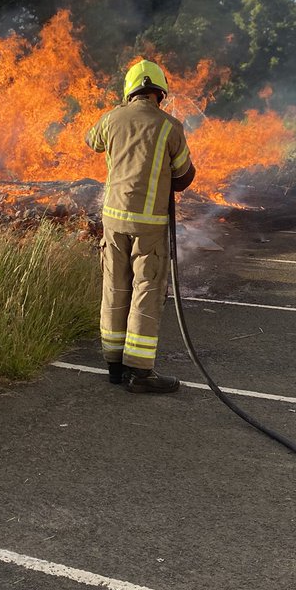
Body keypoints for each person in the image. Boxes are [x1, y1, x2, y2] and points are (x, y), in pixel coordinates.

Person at [85, 59, 196, 393]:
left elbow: (92, 141)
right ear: (159, 93)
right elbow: (184, 176)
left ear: (129, 91)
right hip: (149, 225)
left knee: (115, 288)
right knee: (145, 291)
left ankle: (113, 366)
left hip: (113, 219)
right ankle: (140, 372)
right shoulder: (170, 126)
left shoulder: (111, 118)